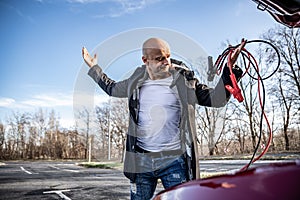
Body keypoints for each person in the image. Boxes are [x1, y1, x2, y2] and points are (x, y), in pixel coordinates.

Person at [82, 37, 245, 200]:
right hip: (141, 162)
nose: (166, 61)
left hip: (174, 161)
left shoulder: (185, 81)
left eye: (167, 56)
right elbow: (111, 87)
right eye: (159, 59)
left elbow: (216, 99)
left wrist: (229, 70)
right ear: (145, 60)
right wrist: (94, 67)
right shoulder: (135, 81)